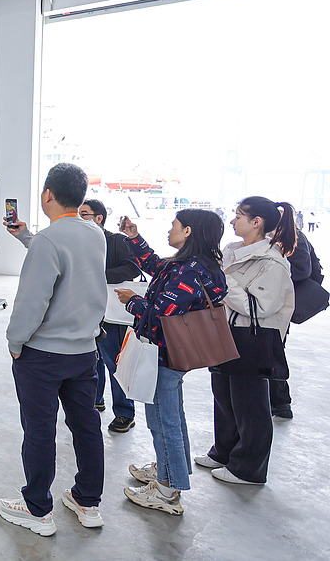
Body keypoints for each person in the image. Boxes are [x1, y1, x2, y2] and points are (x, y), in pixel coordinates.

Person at [0, 163, 107, 536]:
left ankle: (37, 509)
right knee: (86, 425)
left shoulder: (49, 240)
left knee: (40, 430)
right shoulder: (95, 233)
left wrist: (15, 342)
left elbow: (32, 301)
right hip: (84, 353)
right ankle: (87, 501)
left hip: (43, 356)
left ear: (48, 194)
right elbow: (68, 263)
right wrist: (28, 236)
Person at [116, 209, 227, 516]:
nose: (170, 230)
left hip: (165, 355)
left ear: (189, 231)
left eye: (174, 225)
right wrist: (134, 237)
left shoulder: (191, 271)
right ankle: (169, 470)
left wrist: (132, 301)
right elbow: (156, 266)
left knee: (164, 423)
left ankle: (167, 491)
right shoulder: (190, 265)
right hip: (170, 354)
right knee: (170, 418)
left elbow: (161, 314)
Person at [196, 197, 295, 486]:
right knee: (223, 396)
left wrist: (221, 281)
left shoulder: (272, 262)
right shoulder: (231, 251)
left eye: (238, 216)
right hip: (223, 332)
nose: (232, 221)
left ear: (256, 222)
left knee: (250, 405)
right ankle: (224, 452)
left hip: (250, 339)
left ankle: (248, 469)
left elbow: (259, 307)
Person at [80, 198, 141, 433]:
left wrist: (98, 275)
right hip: (85, 309)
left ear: (99, 218)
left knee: (115, 361)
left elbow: (133, 268)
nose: (80, 218)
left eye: (84, 214)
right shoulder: (79, 241)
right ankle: (95, 399)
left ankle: (125, 412)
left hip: (112, 312)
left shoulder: (117, 241)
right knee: (90, 359)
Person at [274, 227, 324, 418]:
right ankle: (278, 401)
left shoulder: (291, 236)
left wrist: (271, 275)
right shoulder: (279, 234)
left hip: (280, 304)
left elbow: (302, 270)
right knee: (273, 350)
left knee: (274, 350)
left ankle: (280, 402)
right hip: (275, 302)